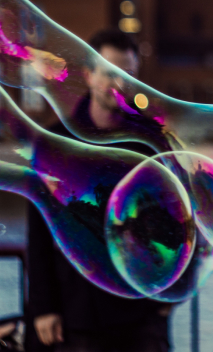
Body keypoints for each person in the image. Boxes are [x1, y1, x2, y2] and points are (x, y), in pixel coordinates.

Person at [28, 29, 173, 352]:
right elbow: (39, 230)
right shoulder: (55, 144)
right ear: (89, 75)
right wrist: (44, 307)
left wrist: (169, 297)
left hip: (141, 312)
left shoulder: (151, 143)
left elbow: (180, 218)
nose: (119, 85)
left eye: (128, 75)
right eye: (110, 74)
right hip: (79, 311)